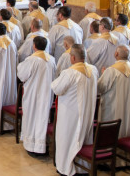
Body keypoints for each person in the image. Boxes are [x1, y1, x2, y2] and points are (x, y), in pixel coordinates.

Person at [51, 44, 98, 176]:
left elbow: (57, 88)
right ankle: (82, 167)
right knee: (83, 137)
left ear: (72, 58)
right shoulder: (93, 70)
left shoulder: (70, 73)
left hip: (70, 114)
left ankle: (66, 167)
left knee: (67, 138)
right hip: (87, 112)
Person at [17, 36, 55, 156]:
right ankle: (40, 145)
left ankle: (31, 145)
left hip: (33, 93)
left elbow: (22, 75)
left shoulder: (31, 60)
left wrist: (19, 67)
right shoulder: (51, 59)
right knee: (42, 118)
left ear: (34, 46)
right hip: (47, 93)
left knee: (31, 117)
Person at [97, 45, 130, 138]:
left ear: (116, 54)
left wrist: (104, 74)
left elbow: (100, 87)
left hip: (113, 108)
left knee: (111, 132)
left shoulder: (111, 70)